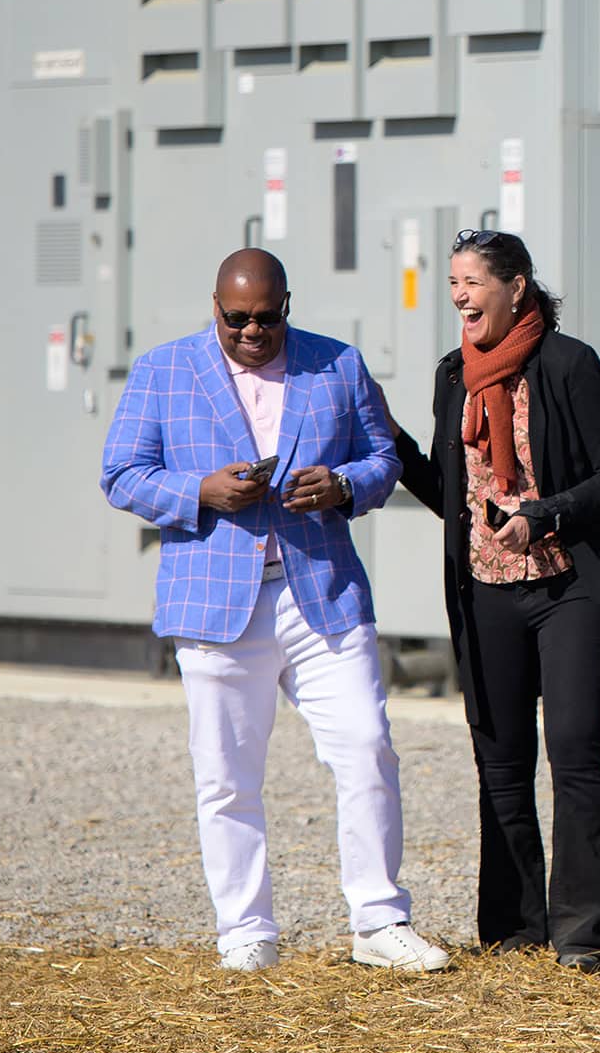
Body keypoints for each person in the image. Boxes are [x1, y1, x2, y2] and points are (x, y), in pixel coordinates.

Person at [100, 248, 448, 974]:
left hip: (320, 589)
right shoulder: (164, 369)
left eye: (267, 316)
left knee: (366, 745)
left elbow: (384, 458)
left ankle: (378, 919)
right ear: (215, 306)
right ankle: (246, 930)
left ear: (287, 304)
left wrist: (343, 485)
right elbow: (121, 473)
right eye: (236, 319)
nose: (253, 331)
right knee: (226, 776)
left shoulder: (337, 363)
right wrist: (200, 490)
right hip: (217, 602)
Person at [391, 230, 600, 970]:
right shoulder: (455, 374)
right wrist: (387, 442)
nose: (458, 295)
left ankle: (585, 936)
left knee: (575, 752)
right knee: (501, 763)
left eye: (472, 281)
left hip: (567, 589)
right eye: (453, 282)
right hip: (485, 592)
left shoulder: (570, 365)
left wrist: (545, 512)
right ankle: (515, 928)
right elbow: (450, 493)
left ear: (516, 288)